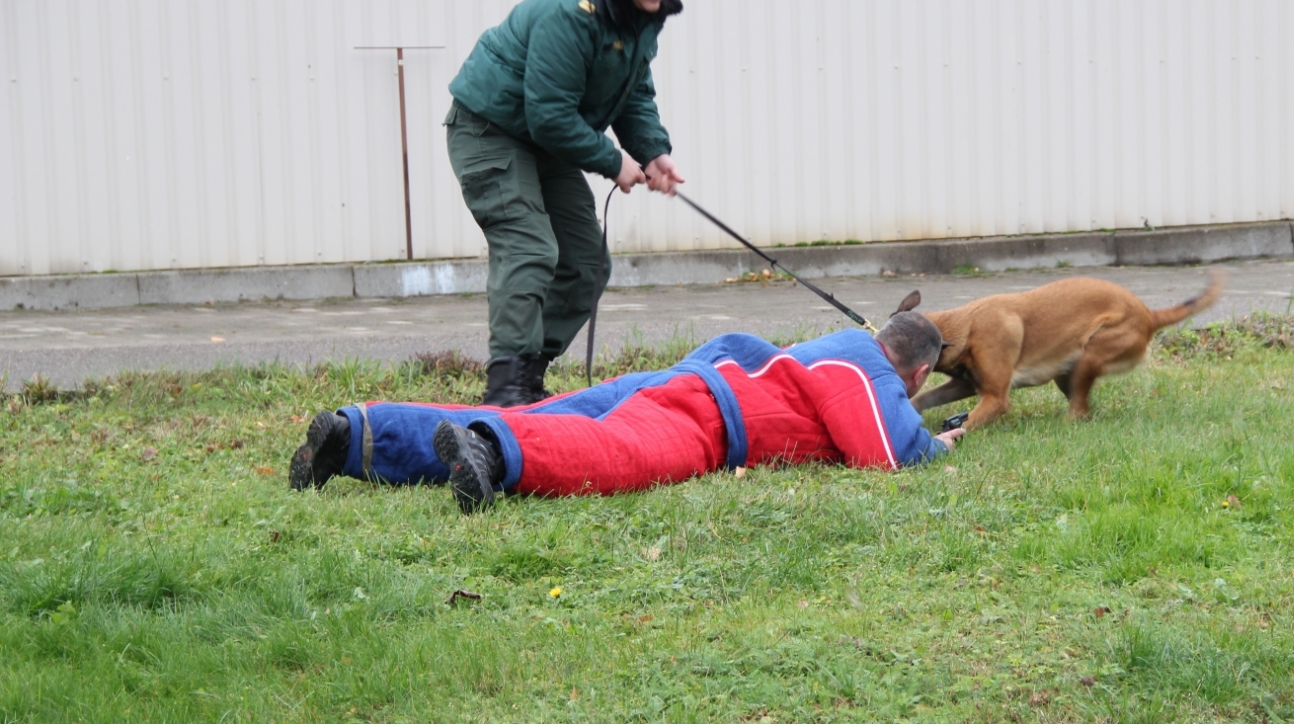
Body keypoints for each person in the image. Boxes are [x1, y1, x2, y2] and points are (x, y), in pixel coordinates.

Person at [288, 314, 966, 513]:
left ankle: (358, 434)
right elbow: (882, 451)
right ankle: (491, 452)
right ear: (914, 370)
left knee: (552, 410)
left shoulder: (839, 350)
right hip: (706, 412)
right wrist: (940, 446)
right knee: (618, 453)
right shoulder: (864, 363)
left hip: (687, 381)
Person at [445, 0, 690, 408]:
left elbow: (634, 92)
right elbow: (551, 115)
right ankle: (506, 392)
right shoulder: (568, 8)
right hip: (490, 129)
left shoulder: (641, 15)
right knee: (531, 248)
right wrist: (613, 160)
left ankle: (529, 374)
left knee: (584, 263)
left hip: (544, 140)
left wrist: (652, 152)